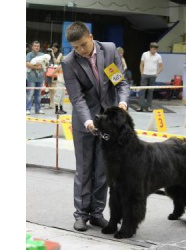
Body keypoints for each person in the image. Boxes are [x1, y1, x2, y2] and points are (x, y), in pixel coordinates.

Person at [61, 21, 130, 232]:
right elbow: (77, 97)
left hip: (108, 124)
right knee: (84, 170)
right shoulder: (69, 62)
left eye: (83, 44)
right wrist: (88, 120)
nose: (81, 50)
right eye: (76, 48)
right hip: (84, 124)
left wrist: (123, 102)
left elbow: (120, 83)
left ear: (90, 37)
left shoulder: (108, 50)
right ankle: (81, 214)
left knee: (102, 170)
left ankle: (97, 213)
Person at [136, 42, 163, 112]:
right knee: (143, 91)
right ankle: (141, 106)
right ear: (150, 48)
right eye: (153, 49)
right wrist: (142, 73)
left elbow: (161, 67)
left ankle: (149, 107)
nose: (154, 51)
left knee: (150, 92)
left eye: (156, 49)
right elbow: (141, 64)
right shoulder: (145, 54)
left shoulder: (158, 56)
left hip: (153, 75)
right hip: (145, 75)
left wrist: (157, 73)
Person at [26, 40, 46, 115]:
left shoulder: (42, 54)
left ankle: (38, 109)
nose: (36, 47)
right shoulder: (29, 54)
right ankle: (27, 109)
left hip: (40, 78)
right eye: (35, 46)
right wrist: (36, 67)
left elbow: (45, 64)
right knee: (30, 93)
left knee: (38, 94)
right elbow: (26, 64)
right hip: (31, 78)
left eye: (38, 46)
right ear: (32, 47)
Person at [45, 43, 63, 109]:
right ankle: (51, 103)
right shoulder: (49, 54)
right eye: (52, 48)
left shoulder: (60, 54)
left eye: (54, 48)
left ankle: (56, 103)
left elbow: (57, 62)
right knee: (50, 88)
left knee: (54, 88)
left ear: (57, 48)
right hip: (49, 72)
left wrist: (53, 55)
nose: (53, 49)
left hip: (55, 73)